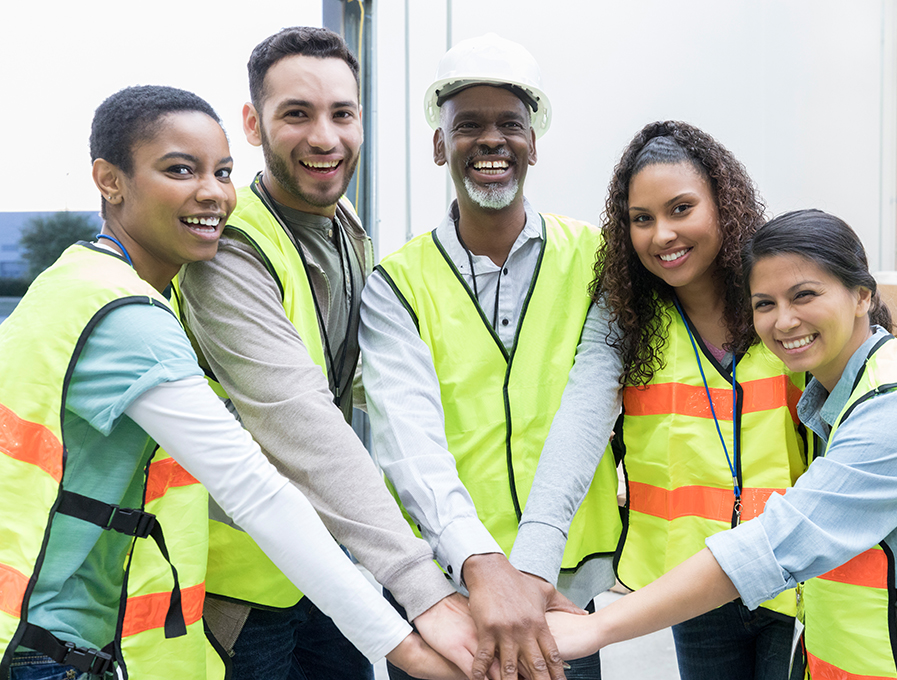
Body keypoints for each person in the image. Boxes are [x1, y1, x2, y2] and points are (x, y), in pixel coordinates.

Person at [0, 85, 463, 680]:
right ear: (109, 180)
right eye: (180, 170)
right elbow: (254, 490)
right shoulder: (127, 318)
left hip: (58, 637)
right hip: (52, 652)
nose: (214, 193)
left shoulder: (82, 280)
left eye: (222, 172)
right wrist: (404, 645)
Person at [546, 209, 897, 679]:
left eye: (805, 295)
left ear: (863, 294)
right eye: (765, 304)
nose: (784, 320)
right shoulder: (838, 396)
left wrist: (597, 630)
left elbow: (779, 543)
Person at [173, 27, 475, 680]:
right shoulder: (227, 248)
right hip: (242, 584)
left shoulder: (347, 232)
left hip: (326, 566)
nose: (325, 138)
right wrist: (421, 585)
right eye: (297, 114)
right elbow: (299, 417)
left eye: (342, 114)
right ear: (253, 123)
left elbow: (367, 384)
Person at [360, 33, 622, 680]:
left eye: (510, 124)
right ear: (438, 144)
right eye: (468, 125)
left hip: (560, 589)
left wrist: (526, 573)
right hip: (444, 588)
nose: (492, 141)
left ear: (534, 141)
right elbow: (409, 443)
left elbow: (586, 419)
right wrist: (480, 564)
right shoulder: (397, 281)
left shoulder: (596, 260)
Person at [510, 121, 808, 680]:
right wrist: (532, 565)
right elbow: (580, 425)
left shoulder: (779, 301)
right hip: (693, 585)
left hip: (796, 571)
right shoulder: (627, 318)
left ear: (724, 204)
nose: (661, 234)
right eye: (641, 219)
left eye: (680, 209)